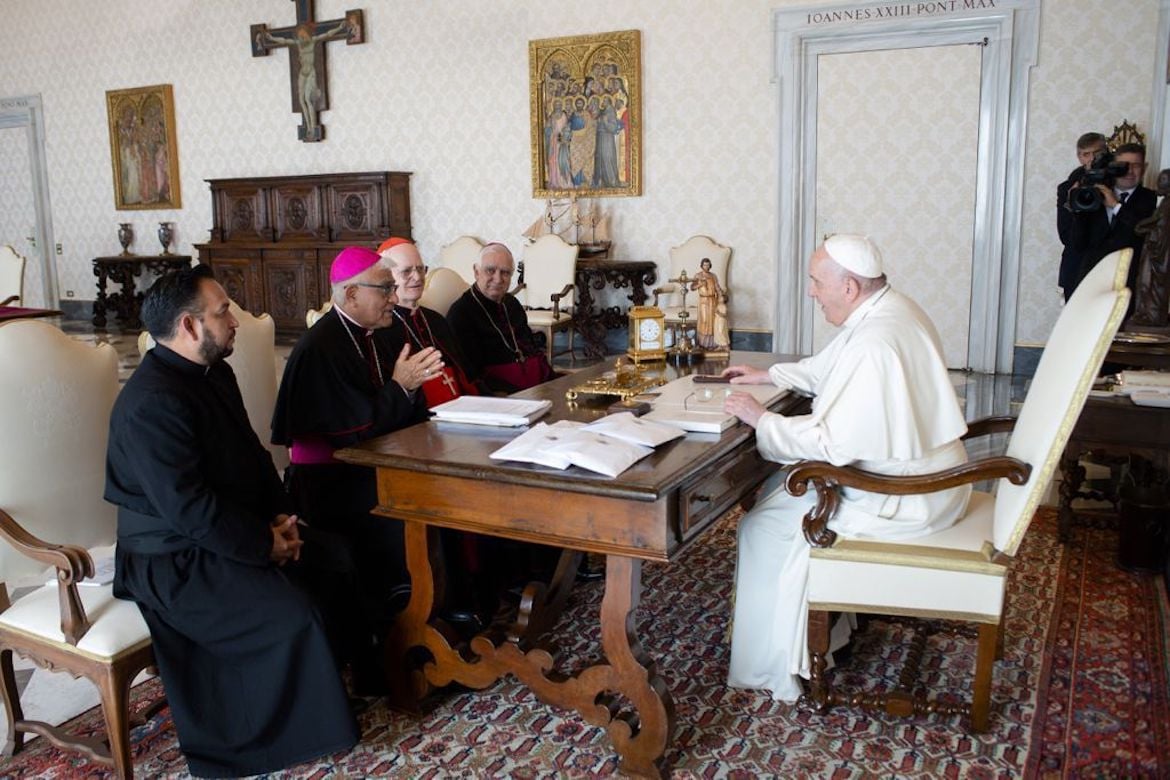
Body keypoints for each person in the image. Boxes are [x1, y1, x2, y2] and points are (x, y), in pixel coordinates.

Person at [106, 265, 358, 777]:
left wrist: (281, 517)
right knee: (291, 615)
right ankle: (267, 739)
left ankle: (334, 690)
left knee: (335, 557)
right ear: (190, 326)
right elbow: (189, 510)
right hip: (170, 558)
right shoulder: (151, 403)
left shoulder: (213, 371)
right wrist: (266, 546)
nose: (234, 320)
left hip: (231, 526)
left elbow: (251, 455)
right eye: (223, 311)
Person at [720, 234, 971, 703]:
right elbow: (829, 369)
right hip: (924, 476)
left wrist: (763, 419)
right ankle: (830, 625)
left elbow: (831, 445)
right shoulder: (889, 309)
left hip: (907, 497)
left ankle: (771, 664)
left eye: (817, 283)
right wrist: (770, 375)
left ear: (850, 287)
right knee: (781, 490)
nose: (812, 292)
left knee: (763, 525)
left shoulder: (875, 340)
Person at [272, 246, 442, 644]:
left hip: (366, 464)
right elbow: (356, 430)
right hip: (330, 480)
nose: (394, 298)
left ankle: (440, 610)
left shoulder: (373, 335)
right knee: (417, 508)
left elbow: (394, 412)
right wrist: (401, 386)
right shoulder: (321, 348)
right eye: (385, 289)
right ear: (351, 295)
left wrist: (407, 389)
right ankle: (400, 633)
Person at [379, 236, 481, 406]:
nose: (417, 277)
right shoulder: (380, 328)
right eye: (406, 272)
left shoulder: (436, 320)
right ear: (387, 277)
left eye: (420, 269)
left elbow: (466, 374)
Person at [446, 242, 557, 393]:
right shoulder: (461, 313)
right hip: (503, 393)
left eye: (505, 272)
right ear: (476, 271)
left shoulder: (511, 303)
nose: (498, 279)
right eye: (490, 270)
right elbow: (471, 374)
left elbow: (531, 348)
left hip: (537, 386)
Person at [1066, 142, 1157, 301]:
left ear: (1145, 167)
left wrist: (1116, 206)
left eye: (1136, 165)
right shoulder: (1093, 194)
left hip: (1130, 285)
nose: (1129, 171)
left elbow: (1143, 233)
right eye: (1122, 165)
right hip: (1090, 281)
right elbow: (1078, 243)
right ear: (1112, 167)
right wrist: (1078, 208)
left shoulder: (1152, 199)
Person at [1056, 132, 1106, 301]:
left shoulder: (1116, 183)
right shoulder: (1068, 188)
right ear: (1079, 157)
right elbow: (1065, 235)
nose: (1092, 159)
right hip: (1076, 265)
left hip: (1106, 264)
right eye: (1086, 154)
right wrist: (1072, 203)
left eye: (1097, 153)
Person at [689, 257, 729, 350]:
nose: (706, 267)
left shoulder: (713, 276)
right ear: (701, 266)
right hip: (703, 301)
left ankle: (714, 343)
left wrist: (722, 296)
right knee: (704, 321)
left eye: (708, 265)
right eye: (704, 265)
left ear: (710, 265)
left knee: (713, 321)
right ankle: (703, 344)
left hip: (713, 301)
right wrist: (700, 284)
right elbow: (692, 287)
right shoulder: (698, 275)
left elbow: (717, 287)